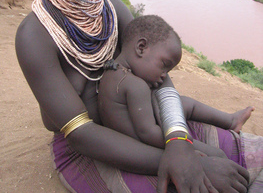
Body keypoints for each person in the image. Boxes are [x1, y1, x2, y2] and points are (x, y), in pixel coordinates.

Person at [14, 0, 260, 193]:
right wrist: (183, 162)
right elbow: (80, 134)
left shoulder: (114, 10)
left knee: (243, 155)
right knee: (198, 182)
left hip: (140, 120)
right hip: (88, 148)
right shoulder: (35, 34)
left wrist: (179, 140)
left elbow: (159, 74)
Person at [98, 14, 254, 159]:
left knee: (184, 102)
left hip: (130, 130)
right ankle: (227, 127)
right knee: (217, 154)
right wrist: (190, 146)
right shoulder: (135, 86)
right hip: (141, 146)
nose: (165, 75)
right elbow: (148, 133)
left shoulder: (111, 71)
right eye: (164, 65)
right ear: (141, 47)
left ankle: (230, 120)